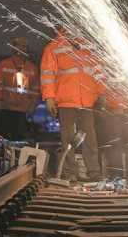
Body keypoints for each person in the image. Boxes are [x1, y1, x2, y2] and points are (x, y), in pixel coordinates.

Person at [40, 29, 104, 181]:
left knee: (90, 138)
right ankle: (70, 174)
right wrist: (49, 97)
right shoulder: (54, 47)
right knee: (67, 139)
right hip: (66, 100)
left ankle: (94, 172)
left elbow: (98, 72)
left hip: (87, 101)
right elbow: (47, 74)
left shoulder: (88, 45)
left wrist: (101, 93)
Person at [0, 37, 40, 140]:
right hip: (5, 108)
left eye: (24, 46)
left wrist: (33, 105)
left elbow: (36, 89)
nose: (22, 49)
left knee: (19, 140)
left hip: (22, 111)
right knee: (3, 139)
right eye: (20, 46)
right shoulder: (3, 65)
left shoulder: (32, 68)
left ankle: (16, 155)